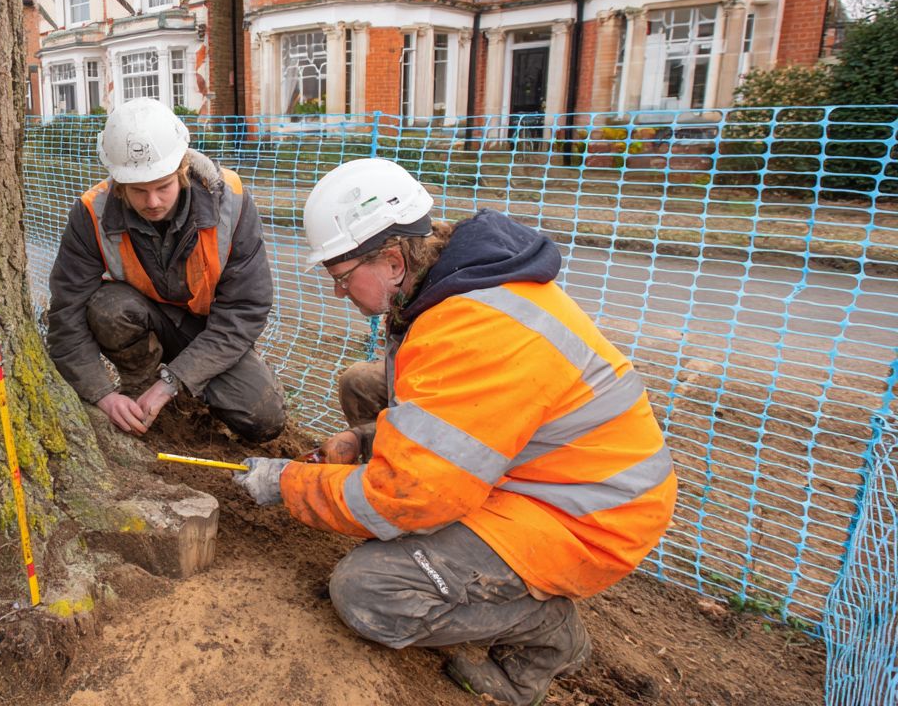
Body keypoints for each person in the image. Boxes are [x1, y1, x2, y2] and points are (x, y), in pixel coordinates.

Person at [233, 158, 676, 706]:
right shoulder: (450, 285)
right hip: (550, 465)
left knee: (369, 591)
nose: (339, 293)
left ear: (393, 260)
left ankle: (545, 636)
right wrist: (362, 441)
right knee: (364, 384)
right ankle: (443, 543)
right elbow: (455, 421)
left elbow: (405, 495)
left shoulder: (471, 331)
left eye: (342, 277)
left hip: (588, 513)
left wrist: (289, 484)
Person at [46, 98, 286, 442]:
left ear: (182, 169)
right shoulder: (90, 213)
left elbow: (245, 309)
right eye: (138, 191)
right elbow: (66, 313)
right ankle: (141, 387)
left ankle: (184, 390)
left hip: (207, 333)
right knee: (107, 307)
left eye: (163, 186)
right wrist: (101, 394)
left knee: (263, 417)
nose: (153, 202)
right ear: (118, 183)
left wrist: (175, 380)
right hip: (144, 319)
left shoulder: (231, 201)